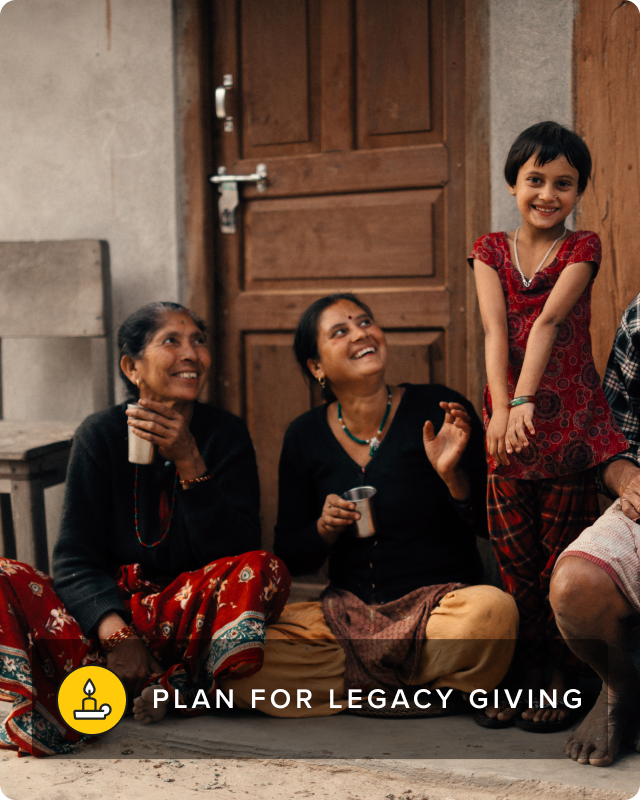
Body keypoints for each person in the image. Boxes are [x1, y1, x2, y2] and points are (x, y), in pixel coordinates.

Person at [0, 302, 289, 756]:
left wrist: (190, 460)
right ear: (132, 367)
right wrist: (117, 634)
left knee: (263, 568)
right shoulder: (100, 434)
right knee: (3, 575)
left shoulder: (224, 434)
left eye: (198, 340)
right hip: (109, 613)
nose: (192, 353)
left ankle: (142, 686)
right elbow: (74, 558)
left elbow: (237, 553)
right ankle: (145, 679)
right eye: (171, 341)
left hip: (186, 613)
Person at [219, 293, 517, 719]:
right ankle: (431, 691)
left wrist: (453, 477)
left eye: (365, 322)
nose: (361, 333)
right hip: (347, 617)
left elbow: (492, 527)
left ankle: (353, 691)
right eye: (340, 331)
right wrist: (323, 528)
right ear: (317, 367)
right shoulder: (304, 436)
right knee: (241, 654)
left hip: (438, 611)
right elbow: (290, 554)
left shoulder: (436, 407)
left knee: (494, 613)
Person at [469, 121, 628, 731]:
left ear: (578, 191)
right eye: (535, 179)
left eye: (564, 183)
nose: (547, 193)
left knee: (556, 558)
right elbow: (493, 330)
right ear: (513, 183)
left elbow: (546, 324)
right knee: (512, 558)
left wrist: (524, 402)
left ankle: (563, 676)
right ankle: (522, 672)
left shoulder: (581, 247)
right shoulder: (488, 250)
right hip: (506, 427)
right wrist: (501, 409)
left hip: (563, 432)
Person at [551, 292, 640, 767]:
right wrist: (627, 478)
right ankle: (619, 688)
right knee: (574, 588)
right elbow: (613, 444)